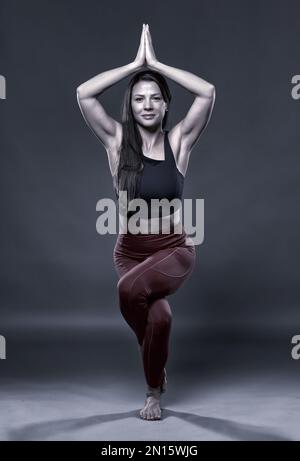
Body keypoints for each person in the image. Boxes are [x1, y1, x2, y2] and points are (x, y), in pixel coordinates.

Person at [76, 23, 216, 421]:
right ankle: (154, 390)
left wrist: (156, 64)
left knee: (128, 291)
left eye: (156, 98)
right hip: (130, 249)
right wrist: (134, 65)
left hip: (174, 247)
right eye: (139, 99)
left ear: (166, 104)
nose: (148, 105)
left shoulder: (179, 143)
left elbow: (207, 92)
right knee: (160, 317)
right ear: (131, 105)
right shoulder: (116, 142)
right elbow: (84, 94)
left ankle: (151, 364)